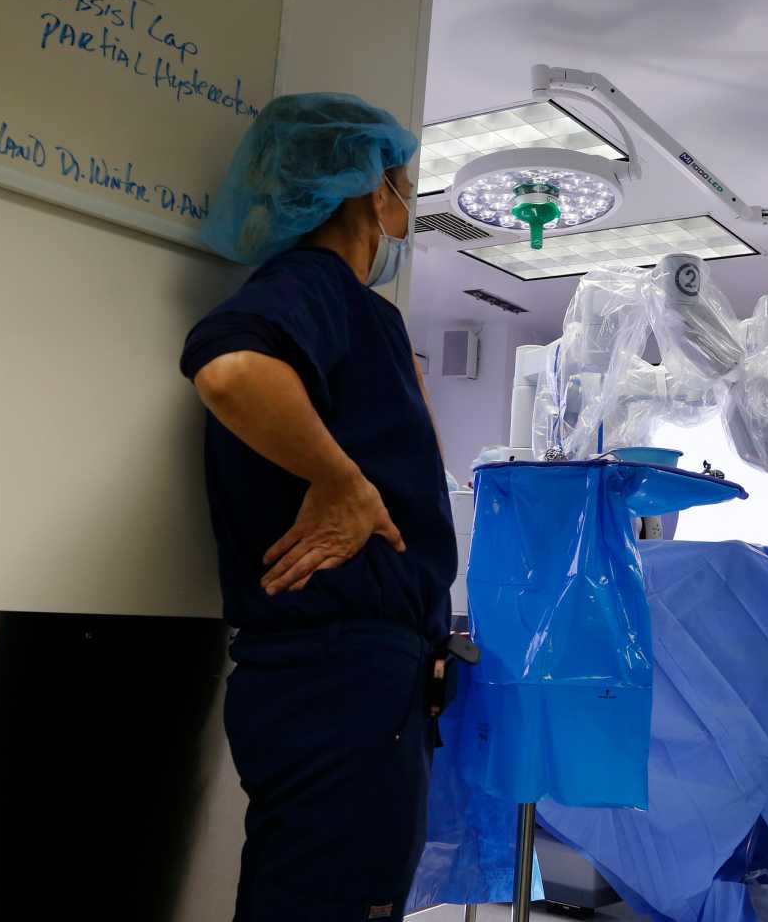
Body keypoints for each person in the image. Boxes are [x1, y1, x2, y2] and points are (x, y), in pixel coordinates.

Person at [178, 93, 454, 922]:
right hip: (340, 676)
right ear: (375, 189)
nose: (403, 200)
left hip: (351, 678)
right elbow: (228, 370)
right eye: (400, 182)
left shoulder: (361, 317)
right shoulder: (313, 283)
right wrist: (344, 483)